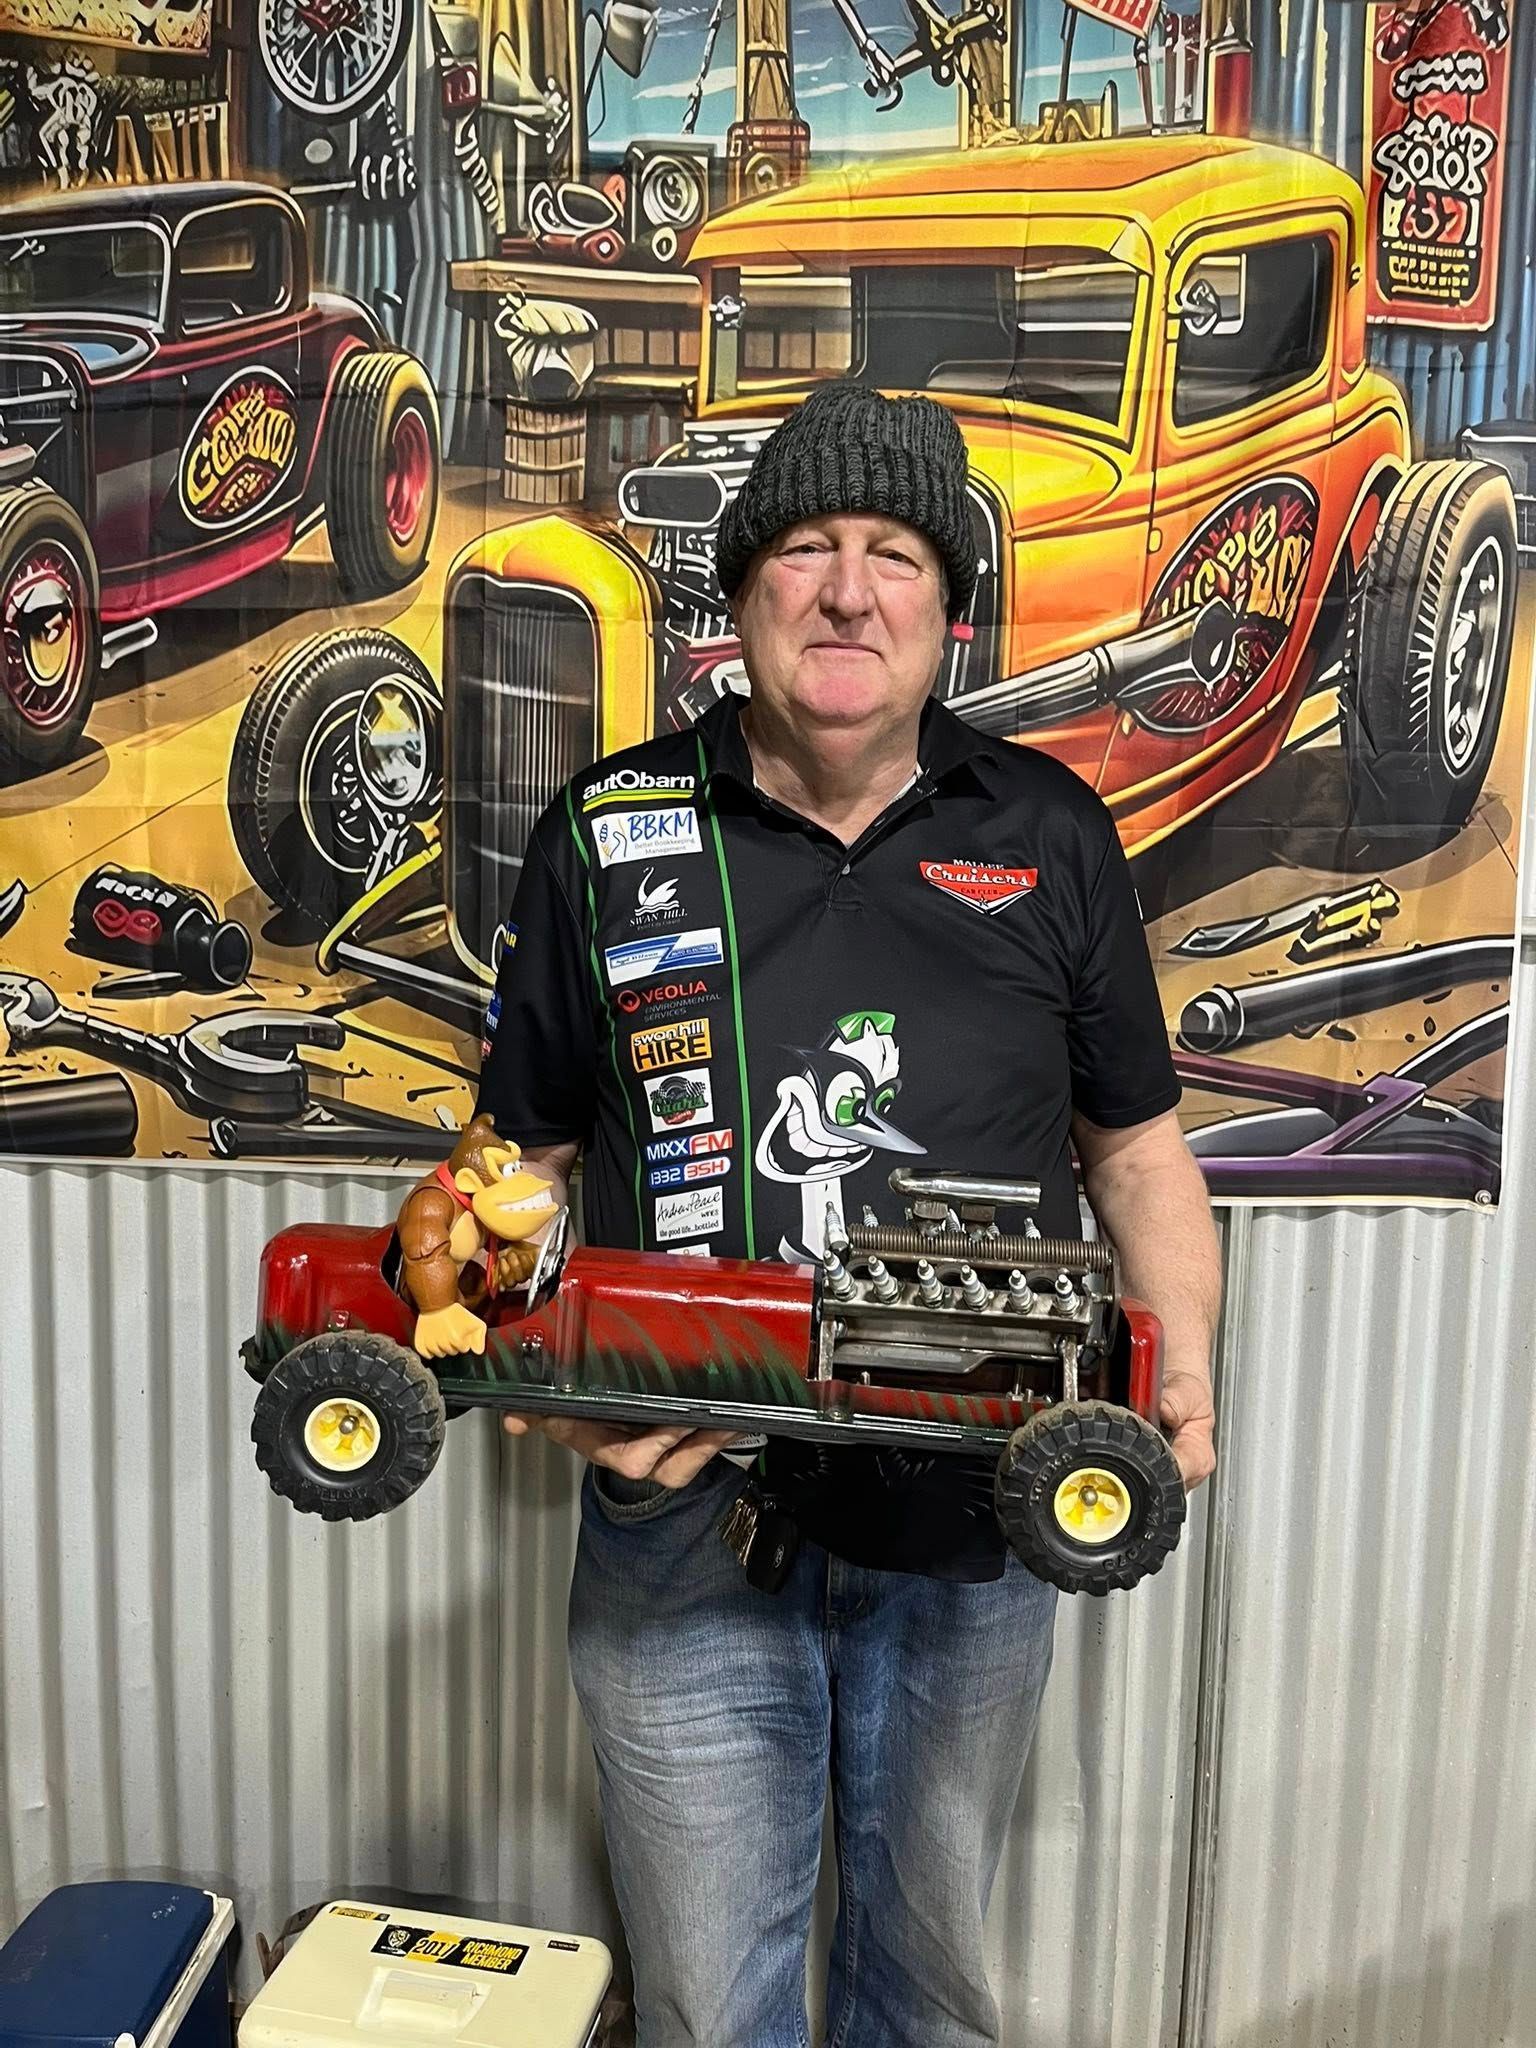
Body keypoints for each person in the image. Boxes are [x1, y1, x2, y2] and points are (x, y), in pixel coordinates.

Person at [476, 379, 1221, 2047]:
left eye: (894, 552)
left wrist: (1181, 1382)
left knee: (932, 1996)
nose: (846, 589)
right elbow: (510, 1153)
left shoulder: (1049, 827)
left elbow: (1141, 1154)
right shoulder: (607, 830)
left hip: (971, 1535)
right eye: (804, 547)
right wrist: (505, 1363)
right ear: (740, 596)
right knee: (709, 2002)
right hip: (683, 1526)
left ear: (950, 605)